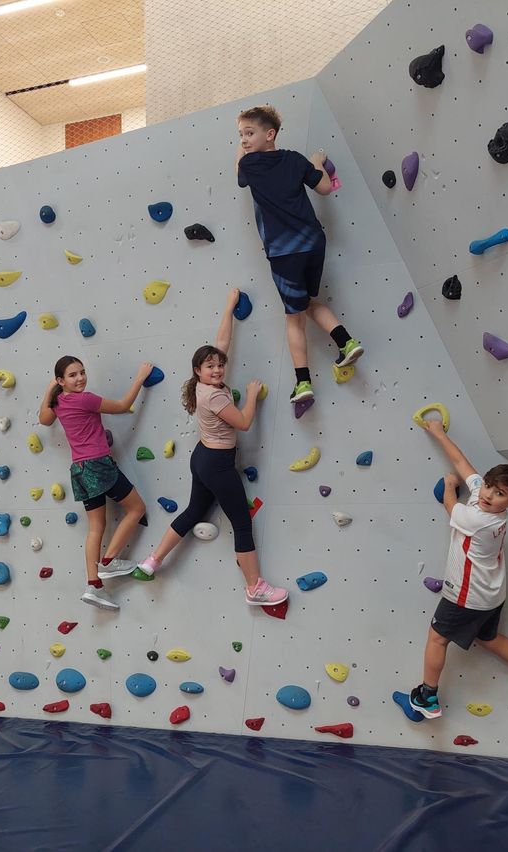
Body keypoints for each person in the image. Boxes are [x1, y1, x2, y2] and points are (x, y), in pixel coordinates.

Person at [136, 289, 288, 607]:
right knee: (241, 522)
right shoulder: (215, 396)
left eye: (219, 365)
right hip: (217, 463)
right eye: (210, 367)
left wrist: (229, 305)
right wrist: (250, 393)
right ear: (198, 371)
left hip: (203, 458)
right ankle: (254, 588)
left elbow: (222, 344)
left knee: (194, 511)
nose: (217, 369)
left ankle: (152, 561)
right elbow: (244, 422)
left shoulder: (205, 385)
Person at [409, 418, 508, 719]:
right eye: (489, 487)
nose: (489, 495)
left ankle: (427, 696)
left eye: (500, 494)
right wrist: (439, 433)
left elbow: (451, 506)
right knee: (487, 638)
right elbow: (462, 462)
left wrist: (450, 485)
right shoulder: (485, 499)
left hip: (467, 595)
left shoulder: (480, 519)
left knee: (438, 637)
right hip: (491, 593)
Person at [236, 104, 363, 406]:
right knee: (306, 304)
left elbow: (238, 169)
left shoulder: (250, 165)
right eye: (240, 134)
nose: (243, 140)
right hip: (313, 243)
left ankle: (303, 382)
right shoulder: (295, 160)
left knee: (293, 318)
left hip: (284, 251)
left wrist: (244, 149)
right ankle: (346, 342)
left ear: (270, 134)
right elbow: (324, 187)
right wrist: (316, 160)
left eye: (248, 133)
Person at [39, 357, 151, 612]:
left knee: (95, 528)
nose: (80, 378)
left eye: (82, 372)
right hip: (98, 465)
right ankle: (109, 561)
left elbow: (44, 419)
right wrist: (140, 379)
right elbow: (123, 406)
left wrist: (49, 391)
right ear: (61, 380)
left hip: (79, 470)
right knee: (136, 509)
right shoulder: (84, 399)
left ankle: (93, 585)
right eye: (72, 375)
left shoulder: (58, 402)